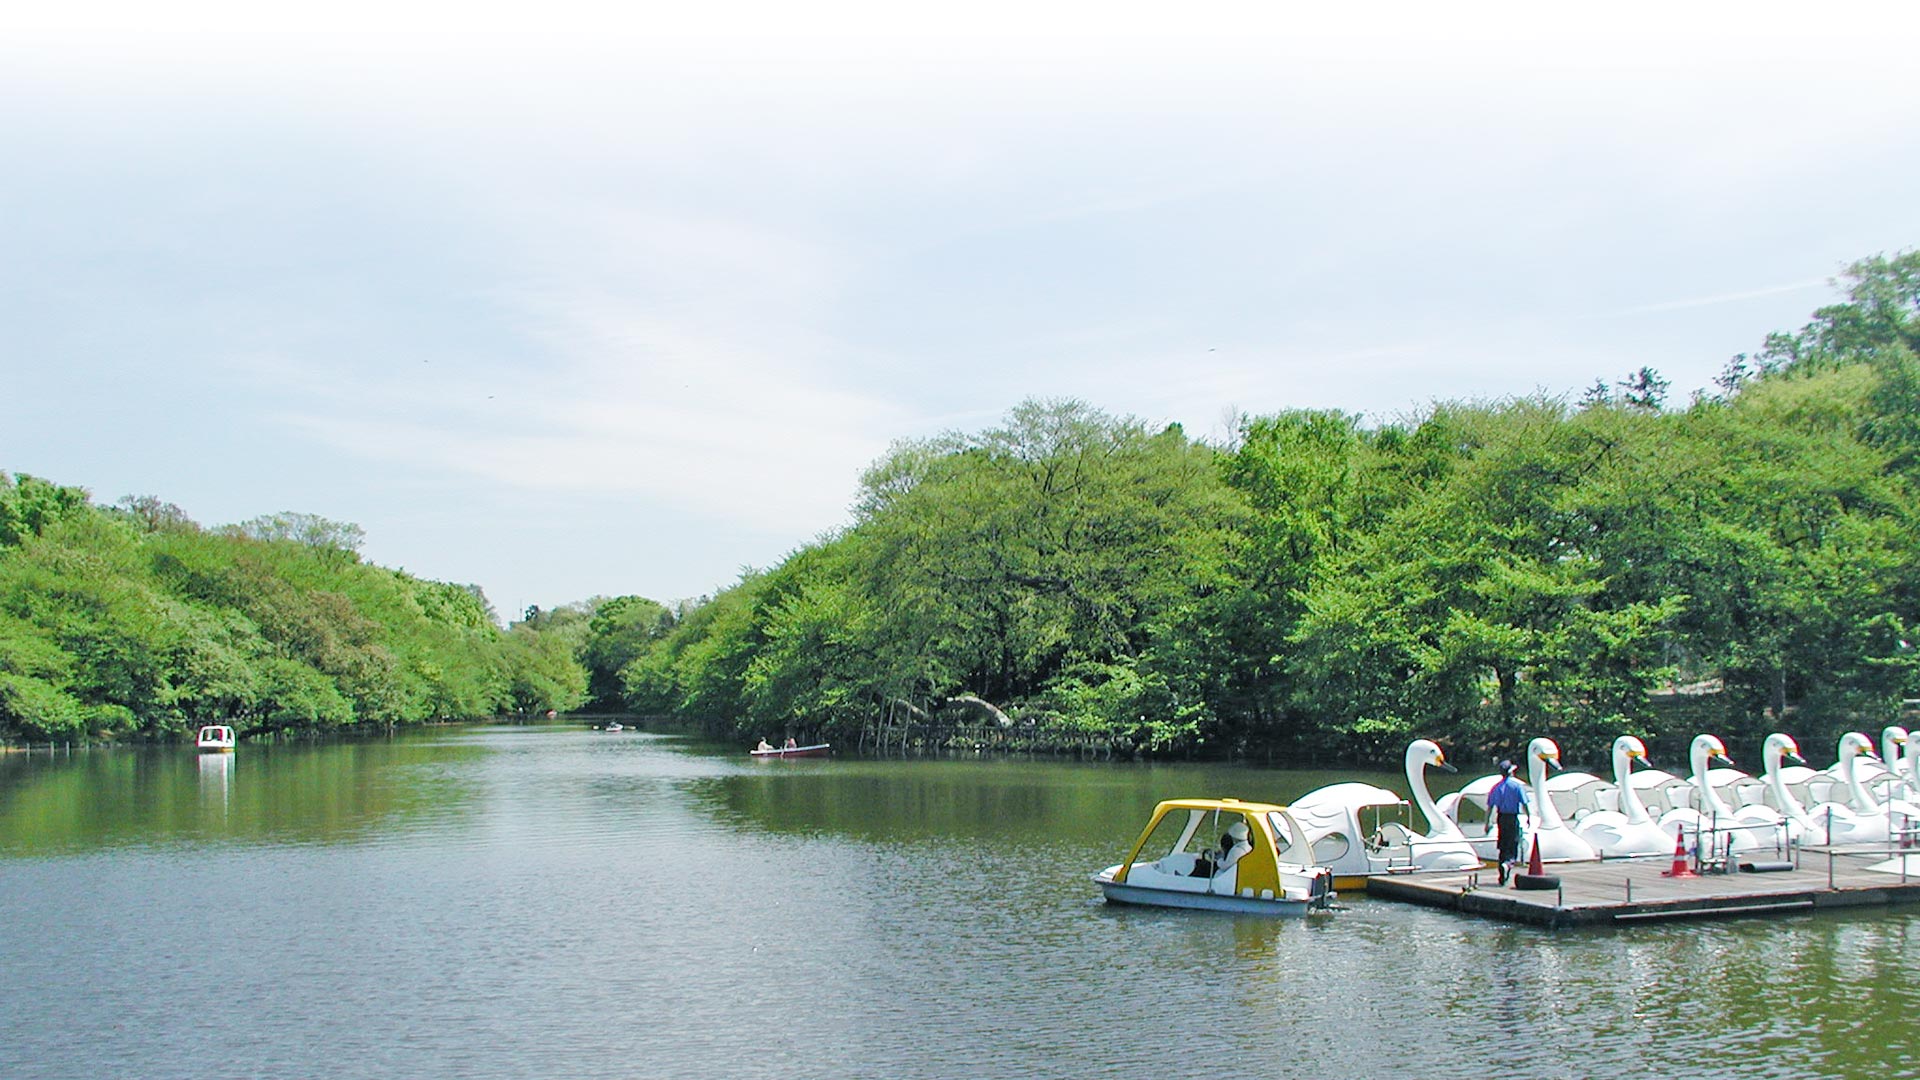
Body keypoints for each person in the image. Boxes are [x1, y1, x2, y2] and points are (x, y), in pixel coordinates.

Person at [1486, 759, 1529, 885]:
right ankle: (1508, 864)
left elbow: (1490, 807)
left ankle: (1501, 876)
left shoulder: (1496, 787)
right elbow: (1524, 803)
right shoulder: (1516, 786)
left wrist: (1487, 823)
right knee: (1513, 844)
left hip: (1501, 818)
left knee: (1503, 845)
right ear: (1511, 772)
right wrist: (1529, 817)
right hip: (1512, 817)